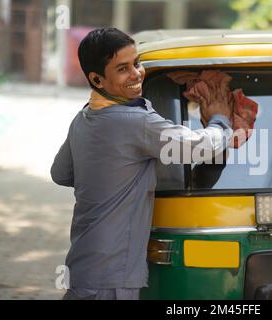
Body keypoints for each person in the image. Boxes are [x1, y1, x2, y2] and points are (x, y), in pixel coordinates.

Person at [50, 27, 232, 300]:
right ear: (97, 79)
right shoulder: (135, 122)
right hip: (112, 276)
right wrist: (220, 120)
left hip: (83, 265)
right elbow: (199, 147)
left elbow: (60, 173)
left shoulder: (84, 118)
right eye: (122, 69)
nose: (136, 74)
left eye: (136, 63)